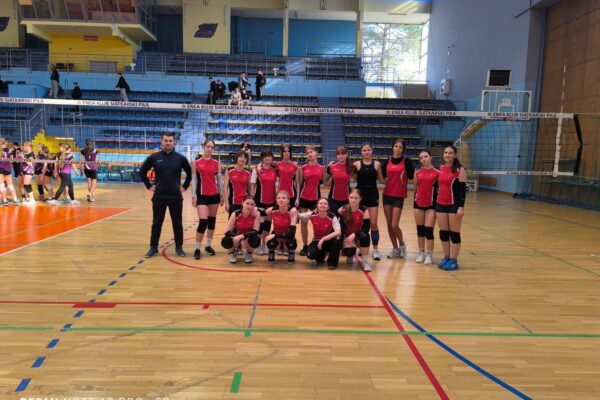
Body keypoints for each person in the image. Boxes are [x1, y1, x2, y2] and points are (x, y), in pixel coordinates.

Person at [139, 132, 192, 258]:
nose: (168, 143)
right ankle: (153, 247)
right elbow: (142, 172)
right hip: (159, 196)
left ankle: (179, 247)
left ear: (174, 142)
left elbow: (190, 174)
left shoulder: (180, 158)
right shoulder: (154, 157)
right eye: (166, 140)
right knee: (157, 222)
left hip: (175, 196)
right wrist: (149, 186)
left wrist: (184, 187)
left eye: (170, 141)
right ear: (161, 141)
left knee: (177, 223)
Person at [381, 139, 415, 259]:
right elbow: (381, 174)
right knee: (389, 224)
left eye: (400, 147)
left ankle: (402, 245)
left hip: (399, 196)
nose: (397, 149)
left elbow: (411, 176)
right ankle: (395, 248)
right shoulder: (387, 160)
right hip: (387, 195)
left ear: (403, 149)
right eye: (396, 146)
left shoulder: (407, 161)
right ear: (392, 147)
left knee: (395, 225)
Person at [436, 145, 467, 271]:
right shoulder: (441, 168)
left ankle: (454, 261)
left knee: (454, 234)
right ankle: (446, 257)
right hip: (440, 204)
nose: (447, 155)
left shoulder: (460, 169)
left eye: (450, 153)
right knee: (443, 233)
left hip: (454, 205)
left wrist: (461, 207)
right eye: (445, 152)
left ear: (455, 155)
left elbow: (462, 191)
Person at [191, 139, 223, 259]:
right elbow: (194, 180)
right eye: (208, 146)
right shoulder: (196, 162)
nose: (210, 149)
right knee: (203, 221)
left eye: (212, 147)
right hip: (201, 195)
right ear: (203, 147)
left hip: (214, 195)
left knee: (211, 222)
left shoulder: (216, 163)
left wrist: (221, 195)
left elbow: (219, 179)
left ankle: (208, 246)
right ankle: (197, 248)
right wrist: (193, 196)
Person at [353, 143, 385, 260]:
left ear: (372, 151)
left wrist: (396, 179)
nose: (367, 152)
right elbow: (354, 179)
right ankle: (360, 247)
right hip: (360, 196)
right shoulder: (356, 164)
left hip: (372, 195)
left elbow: (381, 180)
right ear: (361, 152)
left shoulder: (377, 164)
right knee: (359, 223)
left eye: (369, 150)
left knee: (373, 224)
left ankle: (375, 250)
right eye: (364, 150)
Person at [296, 145, 326, 256]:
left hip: (315, 199)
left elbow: (326, 182)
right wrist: (297, 198)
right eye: (307, 153)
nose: (309, 154)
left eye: (311, 152)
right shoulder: (302, 168)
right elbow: (298, 184)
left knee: (316, 224)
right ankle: (305, 246)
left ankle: (314, 244)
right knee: (304, 223)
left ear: (316, 152)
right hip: (304, 197)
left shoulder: (322, 168)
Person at [298, 198, 343, 270]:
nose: (322, 205)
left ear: (328, 207)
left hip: (328, 241)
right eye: (320, 203)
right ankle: (322, 255)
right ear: (317, 206)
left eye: (325, 204)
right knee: (310, 255)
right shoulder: (312, 214)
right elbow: (299, 215)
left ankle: (332, 262)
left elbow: (338, 232)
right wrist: (293, 210)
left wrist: (323, 239)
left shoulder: (332, 217)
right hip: (317, 241)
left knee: (337, 239)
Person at [413, 150, 439, 265]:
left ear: (430, 157)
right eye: (421, 158)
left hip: (431, 205)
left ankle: (429, 255)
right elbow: (415, 188)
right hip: (418, 204)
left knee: (429, 231)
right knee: (420, 230)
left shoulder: (437, 173)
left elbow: (439, 189)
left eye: (426, 156)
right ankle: (421, 253)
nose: (424, 159)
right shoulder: (417, 172)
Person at [250, 150, 278, 255]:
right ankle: (258, 245)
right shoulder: (257, 170)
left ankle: (264, 244)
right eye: (265, 156)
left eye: (269, 156)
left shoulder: (275, 170)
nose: (267, 158)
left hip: (272, 201)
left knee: (267, 224)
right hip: (259, 201)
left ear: (272, 158)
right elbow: (252, 185)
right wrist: (252, 200)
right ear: (262, 158)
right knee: (261, 224)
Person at [221, 195, 261, 264]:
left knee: (256, 240)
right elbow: (226, 231)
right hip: (236, 237)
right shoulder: (236, 214)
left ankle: (249, 253)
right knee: (226, 240)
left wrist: (241, 236)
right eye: (247, 203)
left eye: (252, 204)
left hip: (247, 238)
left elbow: (255, 231)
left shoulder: (256, 214)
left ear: (254, 206)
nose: (249, 206)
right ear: (242, 203)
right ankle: (233, 253)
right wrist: (236, 237)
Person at [339, 189, 372, 272]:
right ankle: (349, 254)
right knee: (349, 252)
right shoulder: (343, 209)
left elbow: (366, 228)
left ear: (360, 199)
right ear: (348, 198)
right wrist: (343, 239)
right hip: (347, 238)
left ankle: (365, 262)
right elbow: (338, 225)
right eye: (351, 197)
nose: (353, 200)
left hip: (358, 236)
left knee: (365, 236)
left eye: (356, 198)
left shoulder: (364, 210)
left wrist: (354, 235)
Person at [264, 190, 298, 264]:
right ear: (276, 200)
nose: (281, 200)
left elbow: (291, 234)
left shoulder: (292, 212)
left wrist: (273, 235)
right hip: (277, 238)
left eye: (284, 198)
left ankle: (291, 253)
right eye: (279, 198)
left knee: (292, 244)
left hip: (288, 237)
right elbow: (260, 213)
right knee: (270, 243)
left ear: (288, 200)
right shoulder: (272, 210)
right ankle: (272, 253)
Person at [325, 145, 353, 216]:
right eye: (338, 154)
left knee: (344, 221)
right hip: (333, 199)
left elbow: (356, 179)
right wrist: (327, 167)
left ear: (347, 154)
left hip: (347, 199)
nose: (341, 156)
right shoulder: (332, 167)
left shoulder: (351, 167)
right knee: (334, 220)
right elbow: (325, 181)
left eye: (343, 154)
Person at [223, 151, 251, 216]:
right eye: (240, 157)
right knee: (232, 221)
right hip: (233, 202)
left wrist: (250, 202)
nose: (243, 159)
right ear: (237, 158)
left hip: (245, 203)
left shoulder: (248, 173)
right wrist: (226, 203)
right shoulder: (229, 170)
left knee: (244, 221)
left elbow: (249, 189)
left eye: (245, 158)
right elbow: (225, 188)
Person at [0, 138, 19, 206]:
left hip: (0, 169)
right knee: (10, 185)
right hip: (7, 169)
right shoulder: (9, 150)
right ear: (5, 143)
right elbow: (11, 161)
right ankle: (16, 200)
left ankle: (5, 201)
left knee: (1, 186)